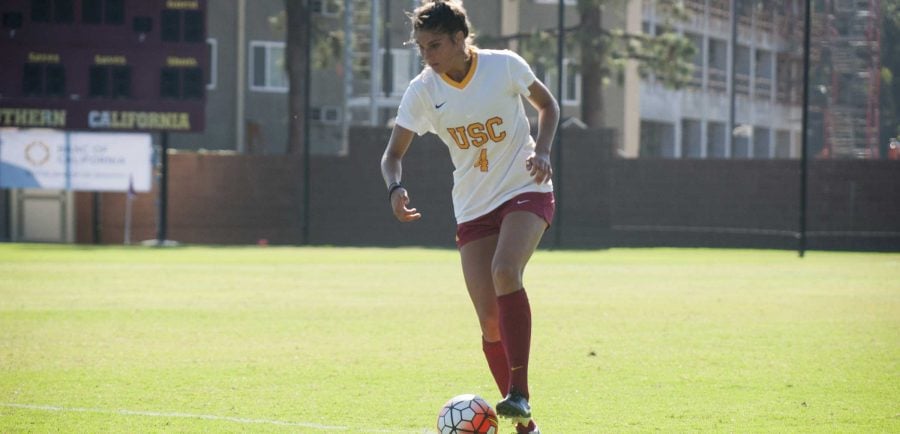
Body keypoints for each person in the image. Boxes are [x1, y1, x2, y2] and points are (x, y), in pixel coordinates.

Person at [380, 1, 558, 432]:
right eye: (421, 48)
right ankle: (525, 426)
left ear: (461, 39)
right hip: (473, 207)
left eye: (436, 45)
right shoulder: (424, 91)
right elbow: (392, 156)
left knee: (505, 271)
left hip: (525, 189)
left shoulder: (504, 67)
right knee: (489, 321)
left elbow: (547, 107)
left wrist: (545, 150)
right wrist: (395, 188)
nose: (429, 56)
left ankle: (518, 394)